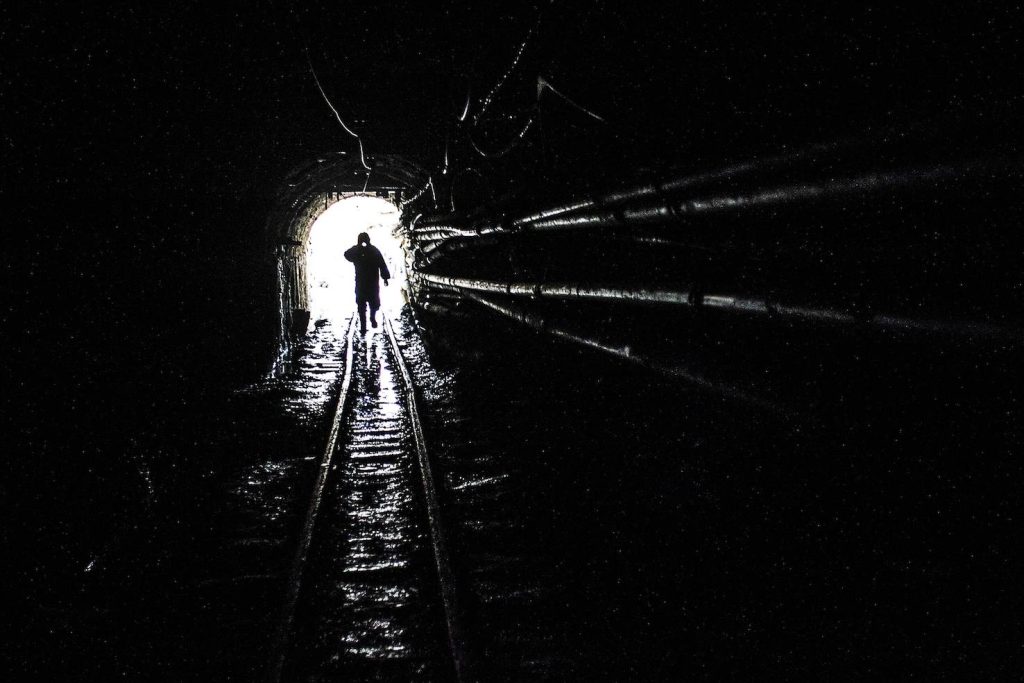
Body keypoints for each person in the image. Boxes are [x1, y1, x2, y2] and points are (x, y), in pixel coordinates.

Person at [343, 232, 390, 332]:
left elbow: (347, 254)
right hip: (371, 283)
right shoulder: (373, 250)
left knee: (366, 304)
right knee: (369, 303)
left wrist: (385, 277)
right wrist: (385, 278)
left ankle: (368, 321)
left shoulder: (363, 251)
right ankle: (365, 324)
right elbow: (382, 264)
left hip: (363, 283)